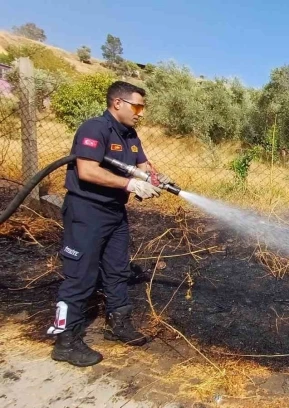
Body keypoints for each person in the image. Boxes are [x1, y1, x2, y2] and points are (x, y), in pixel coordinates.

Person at [47, 81, 173, 367]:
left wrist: (157, 178)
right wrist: (129, 184)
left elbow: (144, 167)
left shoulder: (130, 135)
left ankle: (119, 324)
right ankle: (65, 341)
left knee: (118, 270)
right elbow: (88, 170)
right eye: (137, 106)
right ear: (118, 102)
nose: (141, 112)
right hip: (86, 212)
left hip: (115, 213)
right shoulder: (94, 129)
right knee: (80, 276)